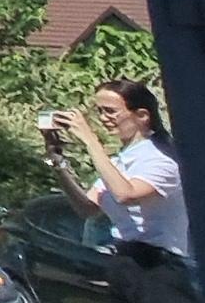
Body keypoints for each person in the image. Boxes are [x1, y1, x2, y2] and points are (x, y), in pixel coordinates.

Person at [57, 79, 191, 300]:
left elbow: (125, 194)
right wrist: (58, 163)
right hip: (125, 261)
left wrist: (90, 141)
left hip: (158, 267)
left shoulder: (161, 158)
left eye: (110, 111)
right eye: (100, 111)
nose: (103, 118)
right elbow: (87, 208)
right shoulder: (120, 161)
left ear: (142, 116)